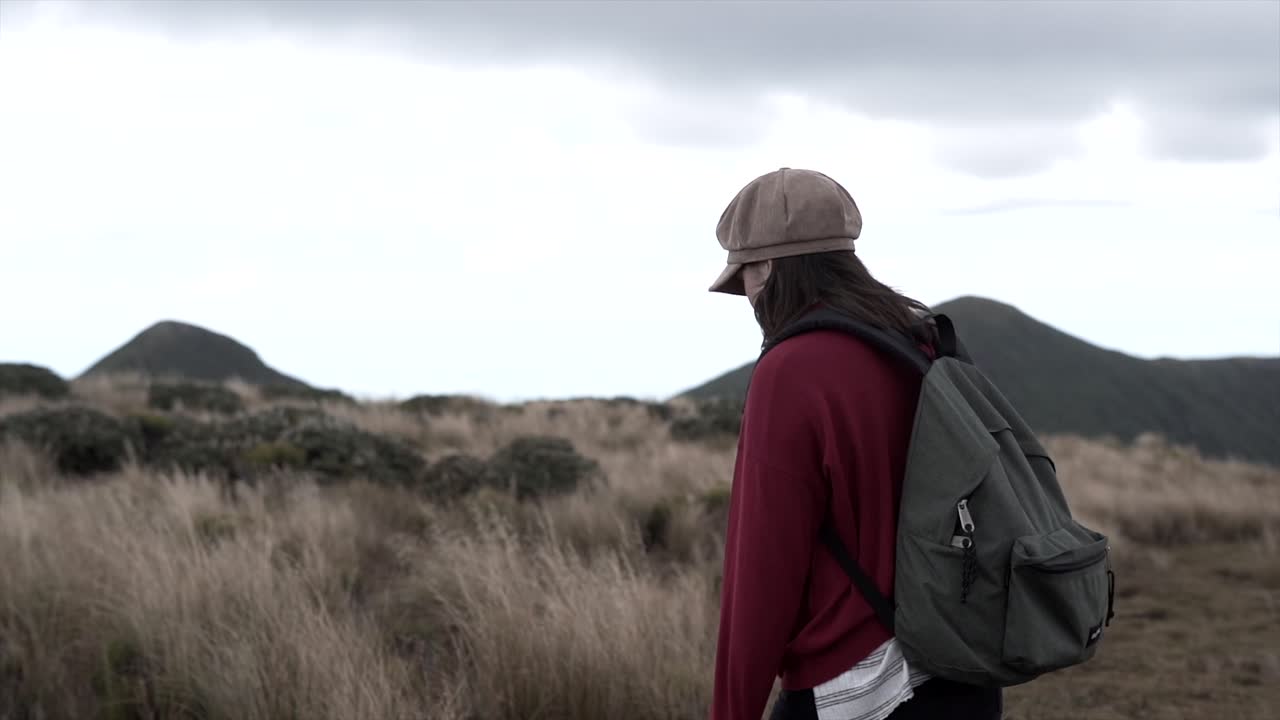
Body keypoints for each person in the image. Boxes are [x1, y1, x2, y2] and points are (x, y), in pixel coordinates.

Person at [706, 168, 1004, 720]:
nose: (747, 296)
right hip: (962, 670)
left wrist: (733, 710)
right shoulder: (921, 340)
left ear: (767, 267)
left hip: (858, 689)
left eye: (743, 275)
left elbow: (763, 573)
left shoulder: (791, 372)